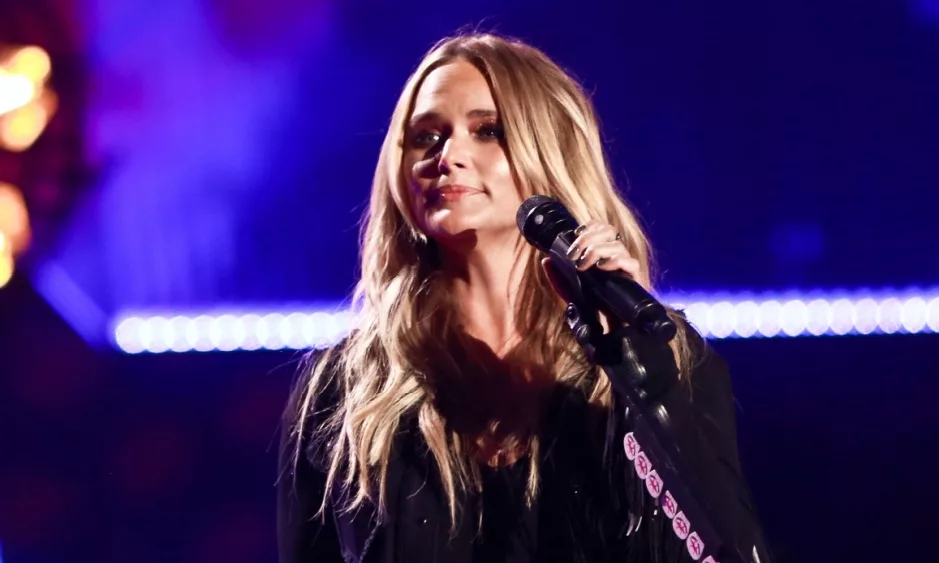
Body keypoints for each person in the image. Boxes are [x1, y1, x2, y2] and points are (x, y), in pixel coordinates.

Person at [277, 32, 772, 563]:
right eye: (427, 137)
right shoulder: (347, 391)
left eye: (488, 131)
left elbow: (734, 549)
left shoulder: (663, 355)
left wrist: (640, 378)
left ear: (549, 153)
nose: (449, 155)